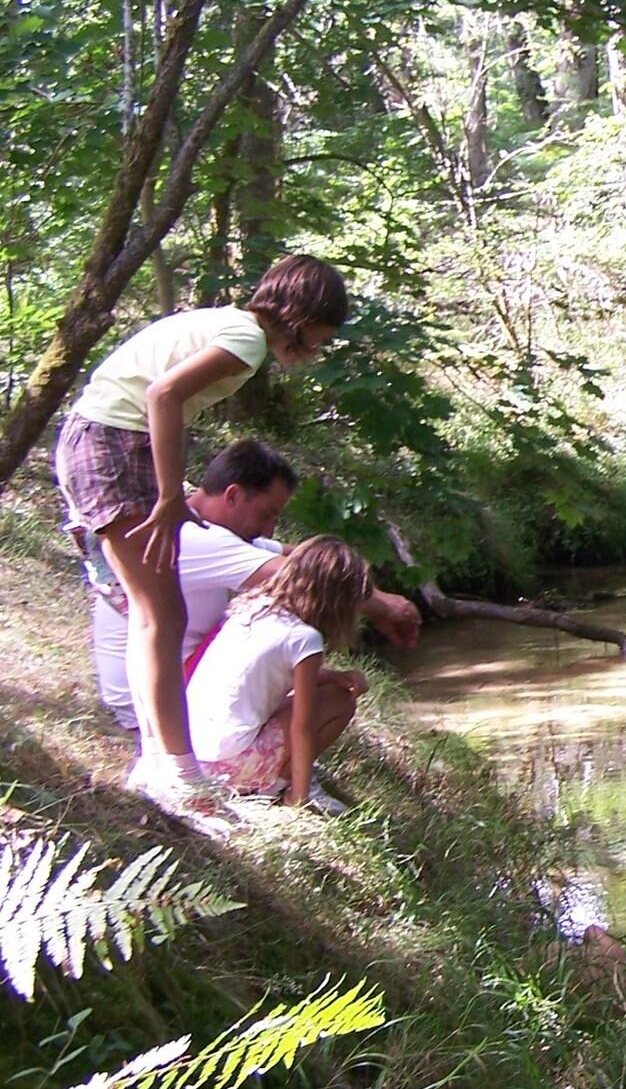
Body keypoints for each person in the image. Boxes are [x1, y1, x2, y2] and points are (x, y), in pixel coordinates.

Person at [52, 254, 349, 803]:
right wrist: (168, 495)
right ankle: (176, 770)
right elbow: (162, 395)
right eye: (317, 337)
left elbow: (166, 403)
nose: (314, 350)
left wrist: (172, 491)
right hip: (112, 444)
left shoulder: (231, 328)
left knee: (155, 615)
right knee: (160, 615)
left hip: (109, 441)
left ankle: (160, 762)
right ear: (299, 313)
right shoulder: (247, 339)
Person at [87, 438, 422, 735]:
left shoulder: (196, 522)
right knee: (329, 696)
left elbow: (298, 557)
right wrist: (384, 607)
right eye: (266, 514)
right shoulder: (196, 538)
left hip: (167, 685)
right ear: (232, 495)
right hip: (152, 706)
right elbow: (317, 577)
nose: (269, 530)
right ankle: (283, 781)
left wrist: (378, 597)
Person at [185, 535, 372, 808]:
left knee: (323, 690)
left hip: (192, 756)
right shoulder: (304, 638)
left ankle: (274, 775)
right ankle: (281, 785)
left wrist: (333, 675)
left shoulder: (251, 607)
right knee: (339, 700)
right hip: (229, 768)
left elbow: (267, 673)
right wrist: (301, 793)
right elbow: (302, 726)